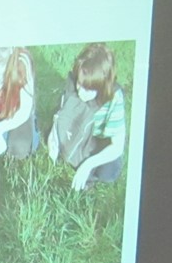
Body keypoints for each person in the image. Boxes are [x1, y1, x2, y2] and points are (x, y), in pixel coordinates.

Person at [47, 43, 126, 191]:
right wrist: (54, 137)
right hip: (77, 130)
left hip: (98, 141)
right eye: (79, 83)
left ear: (102, 86)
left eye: (88, 89)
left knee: (109, 172)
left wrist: (87, 165)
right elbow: (60, 115)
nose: (81, 92)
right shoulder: (74, 84)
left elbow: (117, 146)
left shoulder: (114, 98)